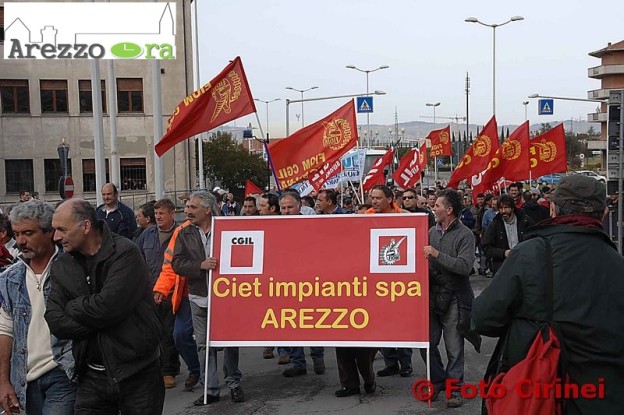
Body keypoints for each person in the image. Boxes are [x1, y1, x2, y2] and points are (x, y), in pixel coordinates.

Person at [472, 174, 624, 414]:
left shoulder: (530, 253)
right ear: (603, 213)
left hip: (543, 394)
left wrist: (523, 323)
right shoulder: (618, 264)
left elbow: (483, 317)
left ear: (553, 209)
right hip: (607, 396)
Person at [45, 199, 164, 414]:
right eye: (54, 230)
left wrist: (73, 307)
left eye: (62, 229)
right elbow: (55, 322)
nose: (56, 237)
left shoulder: (125, 253)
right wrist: (101, 318)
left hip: (138, 375)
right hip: (90, 378)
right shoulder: (62, 265)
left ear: (86, 226)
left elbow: (107, 309)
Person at [0, 200, 76, 414]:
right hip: (24, 378)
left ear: (49, 232)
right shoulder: (9, 278)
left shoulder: (72, 269)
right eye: (16, 234)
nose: (20, 241)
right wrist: (3, 382)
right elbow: (5, 331)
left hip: (63, 373)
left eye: (28, 233)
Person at [171, 190, 244, 405]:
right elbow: (176, 263)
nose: (187, 211)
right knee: (203, 344)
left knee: (230, 341)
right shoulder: (184, 233)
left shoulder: (229, 228)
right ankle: (210, 389)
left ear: (207, 209)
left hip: (227, 297)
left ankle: (233, 383)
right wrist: (199, 266)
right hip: (199, 296)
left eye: (192, 207)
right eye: (187, 208)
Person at [422, 189, 480, 408]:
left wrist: (437, 255)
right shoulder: (430, 232)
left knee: (454, 347)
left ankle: (455, 388)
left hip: (455, 297)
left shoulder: (465, 235)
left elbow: (465, 267)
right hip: (432, 295)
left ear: (449, 209)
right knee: (427, 343)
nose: (433, 208)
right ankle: (437, 381)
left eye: (437, 205)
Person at [135, 199, 189, 389]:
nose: (158, 217)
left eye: (162, 213)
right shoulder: (147, 235)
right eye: (156, 214)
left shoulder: (181, 234)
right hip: (150, 291)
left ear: (172, 213)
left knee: (169, 333)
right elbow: (138, 258)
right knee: (152, 332)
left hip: (173, 291)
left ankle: (169, 370)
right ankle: (156, 367)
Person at [365, 185, 413, 377]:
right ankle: (390, 362)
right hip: (376, 280)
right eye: (372, 198)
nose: (374, 201)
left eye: (378, 198)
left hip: (400, 279)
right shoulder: (365, 217)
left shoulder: (406, 216)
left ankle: (406, 363)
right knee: (382, 323)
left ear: (390, 198)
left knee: (401, 323)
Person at [278, 191, 325, 377]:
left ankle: (318, 357)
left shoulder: (311, 225)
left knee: (314, 321)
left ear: (299, 207)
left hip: (310, 281)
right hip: (285, 283)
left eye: (290, 207)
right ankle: (298, 362)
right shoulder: (272, 226)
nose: (287, 211)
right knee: (291, 322)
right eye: (283, 208)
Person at [482, 194, 535, 276]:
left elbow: (535, 239)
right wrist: (504, 253)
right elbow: (486, 248)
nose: (503, 211)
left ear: (512, 208)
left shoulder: (525, 221)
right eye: (500, 208)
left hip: (524, 264)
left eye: (506, 207)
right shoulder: (495, 224)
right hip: (503, 267)